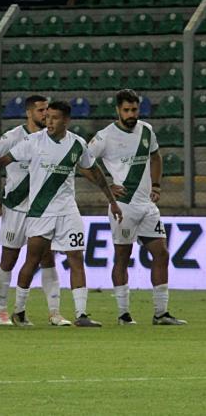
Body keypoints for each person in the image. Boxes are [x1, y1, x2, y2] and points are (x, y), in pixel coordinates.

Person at [0, 100, 122, 327]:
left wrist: (112, 200)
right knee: (31, 259)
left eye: (54, 117)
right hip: (39, 210)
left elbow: (94, 172)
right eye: (46, 116)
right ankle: (17, 310)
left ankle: (80, 314)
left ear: (66, 121)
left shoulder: (77, 144)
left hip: (68, 210)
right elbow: (2, 160)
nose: (48, 121)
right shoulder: (32, 141)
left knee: (76, 258)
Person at [86, 89, 186, 326]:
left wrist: (158, 185)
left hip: (147, 205)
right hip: (123, 206)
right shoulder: (105, 136)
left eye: (134, 110)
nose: (131, 114)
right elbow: (84, 163)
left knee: (161, 254)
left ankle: (161, 313)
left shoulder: (146, 130)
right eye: (126, 110)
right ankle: (123, 314)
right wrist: (107, 187)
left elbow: (156, 156)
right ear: (118, 110)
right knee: (123, 257)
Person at [0, 95, 71, 327]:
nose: (44, 115)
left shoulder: (52, 139)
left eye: (47, 111)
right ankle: (0, 310)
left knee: (48, 259)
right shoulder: (13, 137)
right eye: (40, 111)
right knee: (9, 259)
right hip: (17, 208)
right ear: (29, 113)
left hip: (43, 209)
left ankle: (54, 312)